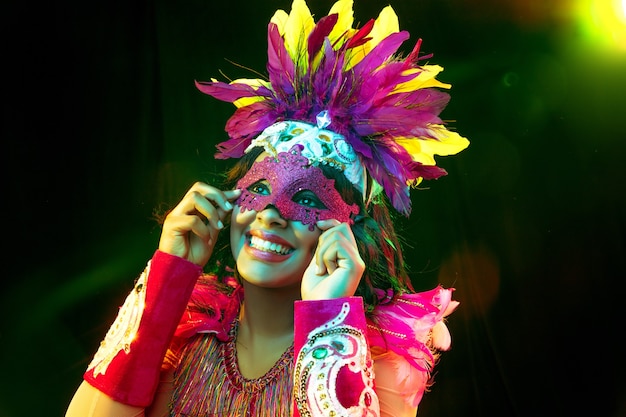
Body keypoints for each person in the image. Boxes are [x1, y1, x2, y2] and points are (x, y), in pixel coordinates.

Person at [65, 0, 469, 416]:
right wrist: (167, 278)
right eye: (258, 187)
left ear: (349, 229)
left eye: (309, 198)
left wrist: (325, 320)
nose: (271, 213)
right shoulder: (181, 340)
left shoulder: (379, 364)